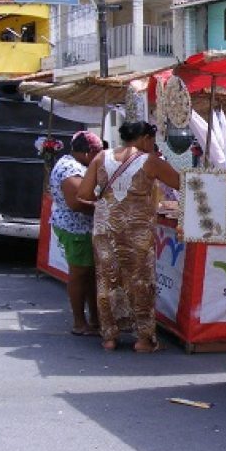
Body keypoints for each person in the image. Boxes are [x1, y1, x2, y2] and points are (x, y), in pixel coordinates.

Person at [77, 121, 180, 353]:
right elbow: (182, 183)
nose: (153, 146)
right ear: (144, 138)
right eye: (152, 141)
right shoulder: (150, 161)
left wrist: (108, 203)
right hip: (137, 231)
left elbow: (83, 193)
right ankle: (143, 339)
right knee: (140, 281)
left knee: (107, 281)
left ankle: (109, 337)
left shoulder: (101, 157)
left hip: (105, 229)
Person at [50, 131, 103, 337]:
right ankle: (80, 323)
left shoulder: (71, 164)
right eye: (97, 153)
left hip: (78, 227)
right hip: (76, 229)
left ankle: (94, 319)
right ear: (88, 153)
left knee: (87, 274)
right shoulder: (71, 169)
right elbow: (76, 203)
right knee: (80, 275)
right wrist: (105, 208)